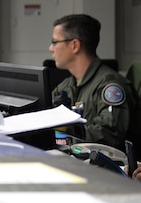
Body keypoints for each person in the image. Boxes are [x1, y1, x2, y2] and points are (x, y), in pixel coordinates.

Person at [49, 14, 136, 149]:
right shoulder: (66, 85)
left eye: (55, 42)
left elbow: (109, 135)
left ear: (74, 45)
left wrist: (64, 131)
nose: (51, 48)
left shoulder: (110, 86)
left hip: (106, 166)